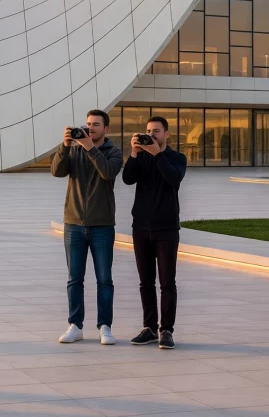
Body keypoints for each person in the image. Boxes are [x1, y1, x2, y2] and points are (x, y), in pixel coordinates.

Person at [51, 109, 123, 346]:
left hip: (102, 225)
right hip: (73, 223)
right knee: (74, 278)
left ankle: (105, 326)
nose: (90, 128)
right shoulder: (74, 150)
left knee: (104, 279)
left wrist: (90, 147)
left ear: (106, 129)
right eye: (88, 124)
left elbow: (108, 172)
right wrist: (64, 145)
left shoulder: (113, 152)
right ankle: (75, 325)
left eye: (96, 124)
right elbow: (57, 171)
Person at [122, 115, 186, 349]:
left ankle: (166, 330)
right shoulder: (141, 158)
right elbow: (128, 179)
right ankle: (149, 327)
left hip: (167, 228)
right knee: (145, 281)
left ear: (166, 134)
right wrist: (135, 153)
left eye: (156, 131)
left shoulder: (177, 158)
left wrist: (156, 153)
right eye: (148, 131)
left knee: (167, 282)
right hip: (140, 227)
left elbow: (174, 178)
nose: (151, 135)